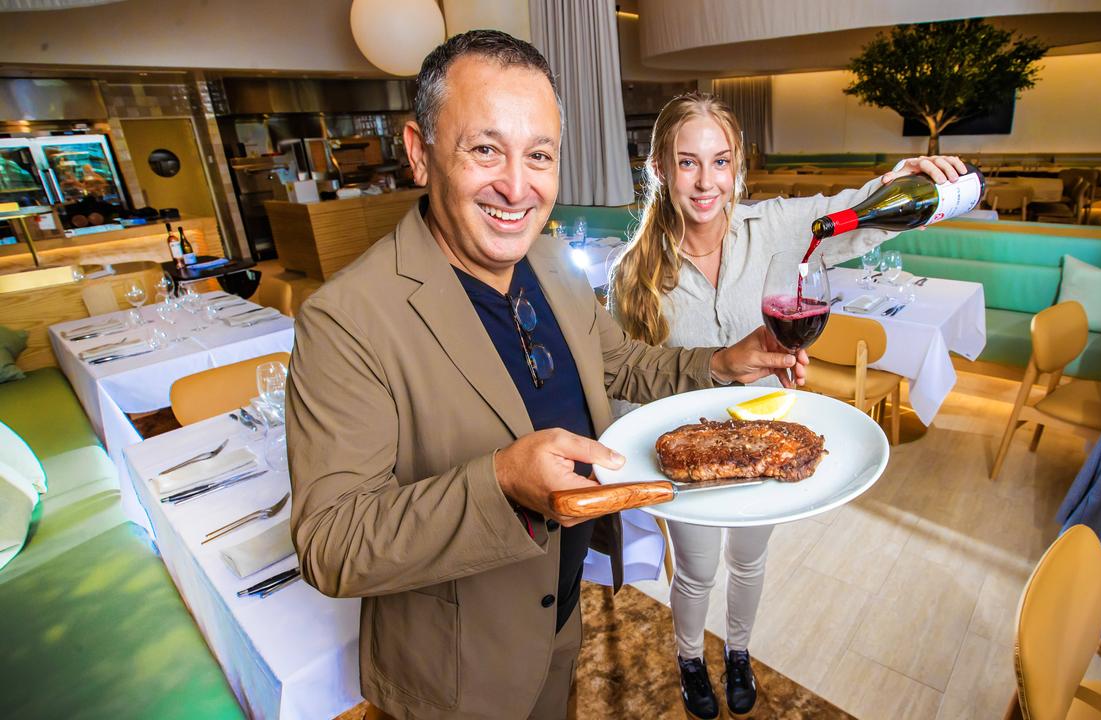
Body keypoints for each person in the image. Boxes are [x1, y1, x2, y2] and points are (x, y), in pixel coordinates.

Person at [285, 32, 804, 720]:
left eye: (538, 155)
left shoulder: (556, 263)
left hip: (560, 623)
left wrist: (719, 362)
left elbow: (620, 363)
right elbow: (333, 544)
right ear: (419, 153)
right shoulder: (346, 319)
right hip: (458, 672)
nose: (516, 185)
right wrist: (500, 481)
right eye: (484, 149)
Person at [607, 92, 968, 720]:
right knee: (695, 569)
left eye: (720, 162)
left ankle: (739, 652)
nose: (706, 182)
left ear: (738, 165)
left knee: (750, 559)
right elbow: (625, 389)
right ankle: (691, 657)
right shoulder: (632, 274)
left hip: (767, 437)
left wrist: (902, 183)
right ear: (660, 169)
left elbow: (855, 214)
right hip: (689, 458)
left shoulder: (774, 226)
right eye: (687, 163)